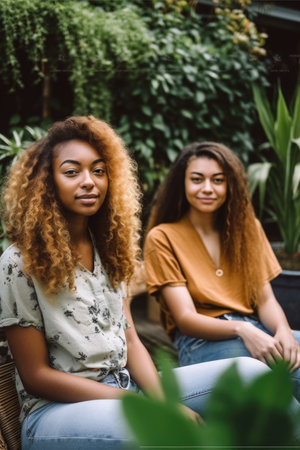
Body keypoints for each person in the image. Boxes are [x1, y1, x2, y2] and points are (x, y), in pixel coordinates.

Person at [0, 118, 271, 450]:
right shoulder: (19, 263)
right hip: (56, 413)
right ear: (46, 182)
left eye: (99, 171)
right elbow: (36, 376)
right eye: (72, 172)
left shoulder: (109, 249)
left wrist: (163, 400)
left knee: (252, 374)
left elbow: (130, 338)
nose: (89, 182)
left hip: (128, 388)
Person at [144, 141, 300, 401]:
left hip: (258, 328)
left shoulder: (248, 228)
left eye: (218, 180)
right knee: (285, 373)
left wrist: (283, 331)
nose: (207, 188)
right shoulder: (162, 237)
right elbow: (185, 318)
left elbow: (266, 299)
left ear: (230, 185)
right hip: (200, 342)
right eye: (197, 179)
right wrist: (244, 330)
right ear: (182, 183)